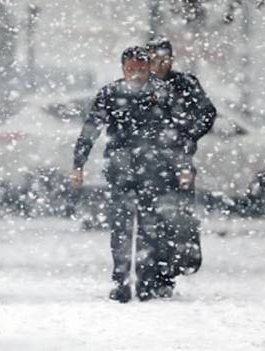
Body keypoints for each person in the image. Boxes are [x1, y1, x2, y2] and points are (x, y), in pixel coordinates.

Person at [70, 46, 175, 303]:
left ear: (148, 68)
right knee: (121, 227)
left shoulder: (161, 93)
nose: (136, 75)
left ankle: (145, 280)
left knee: (150, 228)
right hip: (122, 169)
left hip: (153, 170)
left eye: (141, 69)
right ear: (123, 69)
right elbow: (91, 128)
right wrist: (78, 163)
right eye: (131, 70)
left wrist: (178, 166)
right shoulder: (110, 93)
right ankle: (122, 281)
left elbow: (175, 132)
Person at [145, 37, 217, 290]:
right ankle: (153, 268)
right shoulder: (140, 85)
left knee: (179, 217)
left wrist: (187, 135)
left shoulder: (185, 84)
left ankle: (173, 266)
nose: (160, 65)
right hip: (146, 162)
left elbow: (207, 112)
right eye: (154, 60)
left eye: (164, 60)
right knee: (149, 215)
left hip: (178, 161)